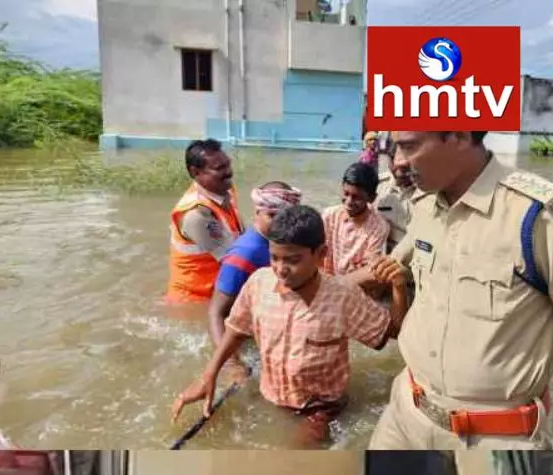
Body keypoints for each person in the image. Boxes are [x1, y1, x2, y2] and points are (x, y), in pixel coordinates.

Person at [368, 130, 553, 450]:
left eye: (409, 146)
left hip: (498, 437)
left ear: (458, 136)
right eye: (394, 147)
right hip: (405, 414)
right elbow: (388, 265)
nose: (398, 162)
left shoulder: (537, 216)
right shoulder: (426, 204)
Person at [172, 204, 408, 447]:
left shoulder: (344, 296)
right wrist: (208, 375)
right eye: (275, 257)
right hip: (271, 395)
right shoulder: (259, 283)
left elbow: (393, 332)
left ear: (321, 254)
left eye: (293, 260)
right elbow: (236, 330)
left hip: (319, 408)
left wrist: (398, 287)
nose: (281, 269)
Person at [207, 181, 301, 348]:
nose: (279, 223)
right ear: (257, 212)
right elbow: (216, 312)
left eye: (285, 217)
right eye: (272, 216)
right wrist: (232, 364)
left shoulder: (282, 242)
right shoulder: (245, 254)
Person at [165, 139, 243, 303]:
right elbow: (236, 262)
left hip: (217, 290)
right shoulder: (196, 215)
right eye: (219, 168)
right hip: (195, 301)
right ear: (196, 172)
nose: (229, 172)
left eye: (228, 164)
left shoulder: (224, 188)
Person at [323, 162, 390, 281]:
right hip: (327, 279)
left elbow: (369, 266)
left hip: (357, 284)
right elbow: (320, 252)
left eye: (356, 197)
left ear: (371, 198)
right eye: (346, 193)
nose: (349, 201)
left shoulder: (379, 227)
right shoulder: (329, 216)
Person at [375, 155, 423, 253]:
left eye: (405, 167)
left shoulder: (430, 189)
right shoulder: (378, 185)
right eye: (393, 162)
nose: (399, 173)